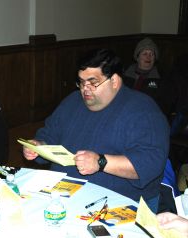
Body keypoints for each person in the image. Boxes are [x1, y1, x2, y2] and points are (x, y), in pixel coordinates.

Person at [23, 49, 169, 213]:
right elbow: (49, 134)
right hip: (63, 195)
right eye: (81, 82)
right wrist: (38, 146)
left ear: (114, 81)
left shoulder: (143, 111)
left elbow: (150, 164)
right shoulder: (72, 101)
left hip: (119, 204)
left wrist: (101, 162)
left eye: (93, 83)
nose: (85, 89)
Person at [123, 37, 170, 115]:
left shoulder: (162, 78)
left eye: (152, 54)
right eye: (145, 54)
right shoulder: (124, 75)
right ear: (137, 57)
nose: (148, 57)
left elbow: (165, 105)